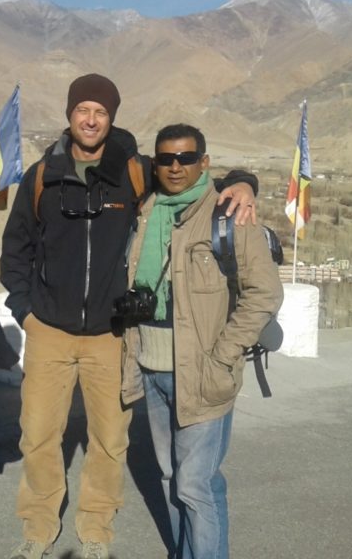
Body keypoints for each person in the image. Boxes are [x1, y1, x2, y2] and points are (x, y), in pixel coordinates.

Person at [0, 74, 257, 559]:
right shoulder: (41, 176)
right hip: (49, 330)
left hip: (110, 335)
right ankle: (38, 527)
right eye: (82, 110)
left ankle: (95, 530)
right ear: (70, 115)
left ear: (111, 117)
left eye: (100, 110)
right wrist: (25, 312)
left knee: (110, 440)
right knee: (37, 436)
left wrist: (245, 181)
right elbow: (16, 249)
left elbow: (195, 181)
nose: (90, 119)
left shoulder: (135, 171)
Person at [119, 124, 284, 559]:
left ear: (204, 163)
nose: (175, 167)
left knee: (197, 484)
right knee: (172, 478)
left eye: (186, 158)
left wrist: (223, 354)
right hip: (151, 366)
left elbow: (265, 293)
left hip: (204, 371)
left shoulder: (229, 215)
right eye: (167, 159)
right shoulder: (148, 209)